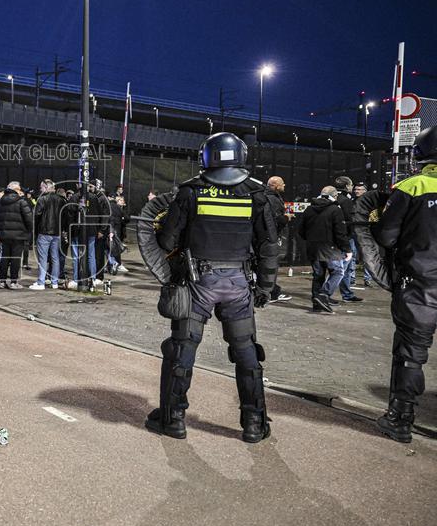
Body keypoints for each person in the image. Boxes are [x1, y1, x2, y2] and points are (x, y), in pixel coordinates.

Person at [147, 132, 278, 443]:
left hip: (198, 284)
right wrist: (265, 287)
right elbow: (269, 246)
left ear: (207, 157)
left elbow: (166, 240)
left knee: (182, 348)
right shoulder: (257, 194)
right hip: (238, 284)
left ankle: (174, 419)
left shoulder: (191, 192)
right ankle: (254, 423)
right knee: (246, 352)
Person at [374, 127, 437, 443]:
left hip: (420, 286)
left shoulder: (413, 187)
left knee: (411, 355)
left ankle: (400, 420)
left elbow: (386, 236)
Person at [296, 186, 351, 314]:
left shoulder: (309, 209)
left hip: (313, 247)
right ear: (334, 196)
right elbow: (340, 233)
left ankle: (317, 303)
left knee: (318, 275)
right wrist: (347, 249)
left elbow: (301, 230)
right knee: (338, 272)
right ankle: (323, 295)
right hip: (330, 248)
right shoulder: (335, 210)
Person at [0, 181, 33, 289]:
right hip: (19, 235)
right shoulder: (21, 201)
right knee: (15, 258)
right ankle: (13, 282)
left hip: (4, 235)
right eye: (19, 189)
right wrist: (29, 231)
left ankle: (2, 281)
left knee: (4, 258)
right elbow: (29, 219)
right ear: (16, 190)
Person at [332, 175, 363, 303]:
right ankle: (330, 293)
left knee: (341, 268)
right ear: (346, 186)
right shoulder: (346, 201)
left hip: (334, 237)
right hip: (346, 238)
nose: (352, 188)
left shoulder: (334, 198)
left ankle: (346, 293)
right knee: (344, 268)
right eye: (350, 185)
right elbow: (350, 220)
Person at [264, 176, 293, 302]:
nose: (285, 185)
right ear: (276, 185)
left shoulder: (265, 196)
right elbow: (276, 220)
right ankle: (271, 292)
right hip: (273, 236)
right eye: (282, 184)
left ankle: (270, 291)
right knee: (272, 264)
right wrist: (287, 218)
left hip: (267, 236)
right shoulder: (274, 199)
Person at [31, 179, 63, 290]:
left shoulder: (42, 199)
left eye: (41, 187)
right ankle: (54, 282)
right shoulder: (61, 199)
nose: (40, 189)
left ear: (45, 187)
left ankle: (41, 282)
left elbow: (36, 215)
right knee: (55, 258)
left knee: (43, 258)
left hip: (44, 232)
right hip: (56, 232)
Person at [352, 182, 374, 288]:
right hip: (354, 232)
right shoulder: (352, 201)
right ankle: (352, 279)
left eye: (359, 189)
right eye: (356, 189)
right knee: (352, 256)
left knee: (367, 256)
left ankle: (368, 279)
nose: (357, 191)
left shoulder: (370, 202)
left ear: (365, 191)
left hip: (366, 233)